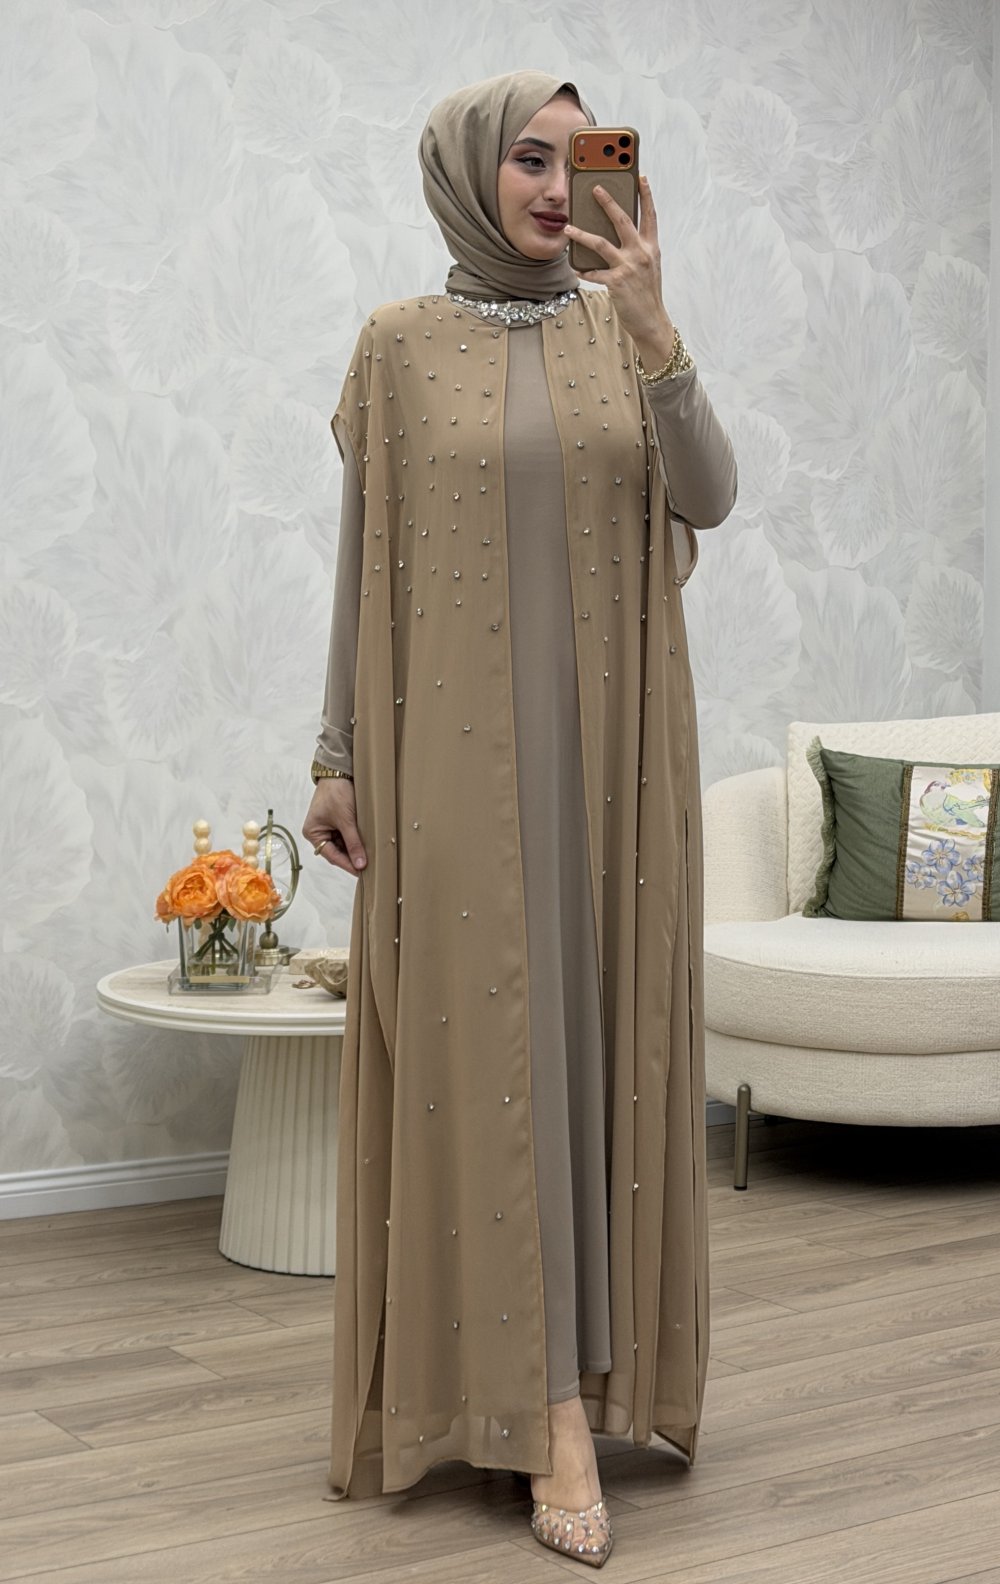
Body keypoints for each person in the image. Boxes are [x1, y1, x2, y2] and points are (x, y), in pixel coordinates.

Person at [302, 69, 737, 1568]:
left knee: (593, 1058)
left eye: (582, 159)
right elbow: (365, 564)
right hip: (454, 768)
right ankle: (542, 1414)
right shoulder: (398, 347)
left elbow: (711, 497)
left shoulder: (624, 329)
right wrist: (336, 755)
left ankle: (589, 1390)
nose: (560, 188)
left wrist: (659, 329)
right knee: (488, 1070)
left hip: (618, 770)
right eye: (530, 160)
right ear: (469, 173)